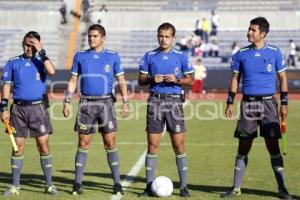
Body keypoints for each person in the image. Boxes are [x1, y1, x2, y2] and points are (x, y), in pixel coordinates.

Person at [223, 17, 292, 200]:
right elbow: (235, 79)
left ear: (263, 33)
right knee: (243, 146)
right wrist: (230, 101)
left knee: (273, 146)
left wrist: (284, 103)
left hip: (269, 104)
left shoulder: (275, 52)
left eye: (253, 30)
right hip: (248, 104)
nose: (249, 32)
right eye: (249, 29)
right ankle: (236, 188)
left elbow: (283, 78)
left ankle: (282, 189)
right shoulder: (241, 54)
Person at [63, 24, 129, 196]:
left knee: (110, 143)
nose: (91, 38)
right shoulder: (80, 56)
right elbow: (72, 80)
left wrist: (125, 101)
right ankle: (77, 184)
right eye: (90, 36)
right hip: (86, 104)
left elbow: (121, 80)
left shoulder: (113, 56)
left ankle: (116, 183)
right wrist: (67, 100)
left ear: (103, 38)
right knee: (83, 143)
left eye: (95, 36)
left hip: (106, 103)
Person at [138, 22, 194, 197]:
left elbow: (191, 79)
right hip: (155, 102)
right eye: (161, 35)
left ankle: (184, 187)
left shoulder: (181, 56)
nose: (163, 39)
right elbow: (141, 79)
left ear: (173, 38)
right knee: (153, 145)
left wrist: (176, 80)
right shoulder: (149, 56)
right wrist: (152, 78)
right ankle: (148, 187)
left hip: (174, 103)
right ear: (157, 36)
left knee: (179, 145)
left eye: (167, 36)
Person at [0, 31, 57, 195]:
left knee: (43, 145)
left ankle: (49, 185)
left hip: (38, 109)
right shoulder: (13, 62)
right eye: (27, 44)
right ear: (22, 44)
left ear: (38, 45)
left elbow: (52, 71)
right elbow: (6, 86)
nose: (29, 47)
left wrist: (42, 51)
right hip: (18, 109)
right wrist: (3, 108)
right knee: (17, 147)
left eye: (33, 44)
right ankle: (15, 185)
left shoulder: (41, 61)